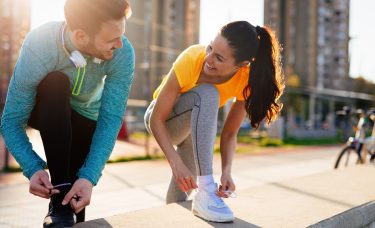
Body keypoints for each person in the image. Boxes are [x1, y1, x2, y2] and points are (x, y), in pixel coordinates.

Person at [0, 0, 134, 227]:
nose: (120, 44)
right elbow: (11, 120)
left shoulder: (123, 53)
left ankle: (63, 207)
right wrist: (32, 168)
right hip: (46, 109)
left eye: (121, 35)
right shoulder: (40, 44)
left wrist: (89, 177)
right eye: (112, 39)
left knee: (75, 201)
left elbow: (110, 120)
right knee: (55, 82)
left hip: (86, 118)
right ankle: (59, 192)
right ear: (81, 36)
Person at [144, 21, 284, 222]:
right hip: (161, 121)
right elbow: (156, 119)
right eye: (210, 47)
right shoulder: (192, 58)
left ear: (242, 65)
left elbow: (229, 133)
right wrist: (175, 163)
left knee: (179, 197)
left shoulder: (246, 80)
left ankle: (182, 212)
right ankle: (207, 187)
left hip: (192, 132)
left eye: (219, 57)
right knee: (208, 93)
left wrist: (227, 172)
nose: (208, 58)